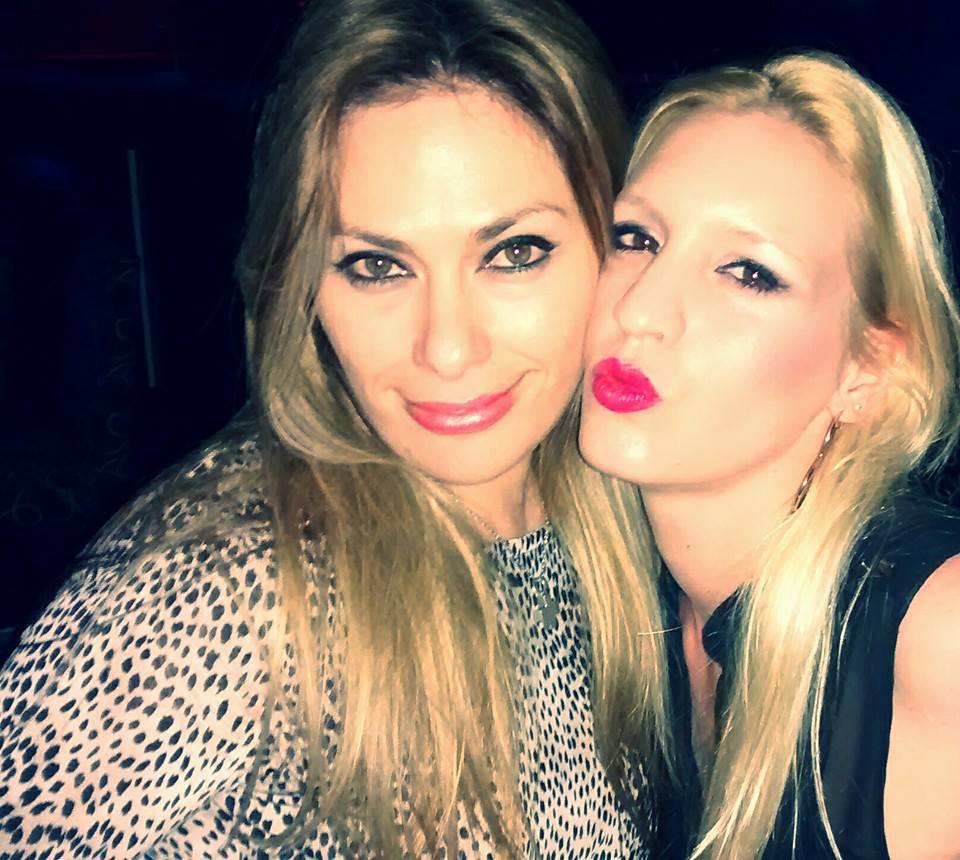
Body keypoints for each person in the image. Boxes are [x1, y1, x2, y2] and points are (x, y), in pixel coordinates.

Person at [0, 0, 674, 857]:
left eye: (514, 253)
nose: (448, 349)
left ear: (616, 250)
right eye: (376, 265)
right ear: (304, 285)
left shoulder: (625, 521)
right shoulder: (226, 581)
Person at [580, 50, 960, 859]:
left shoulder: (937, 631)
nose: (640, 309)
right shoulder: (598, 601)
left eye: (749, 273)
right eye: (636, 237)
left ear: (866, 370)